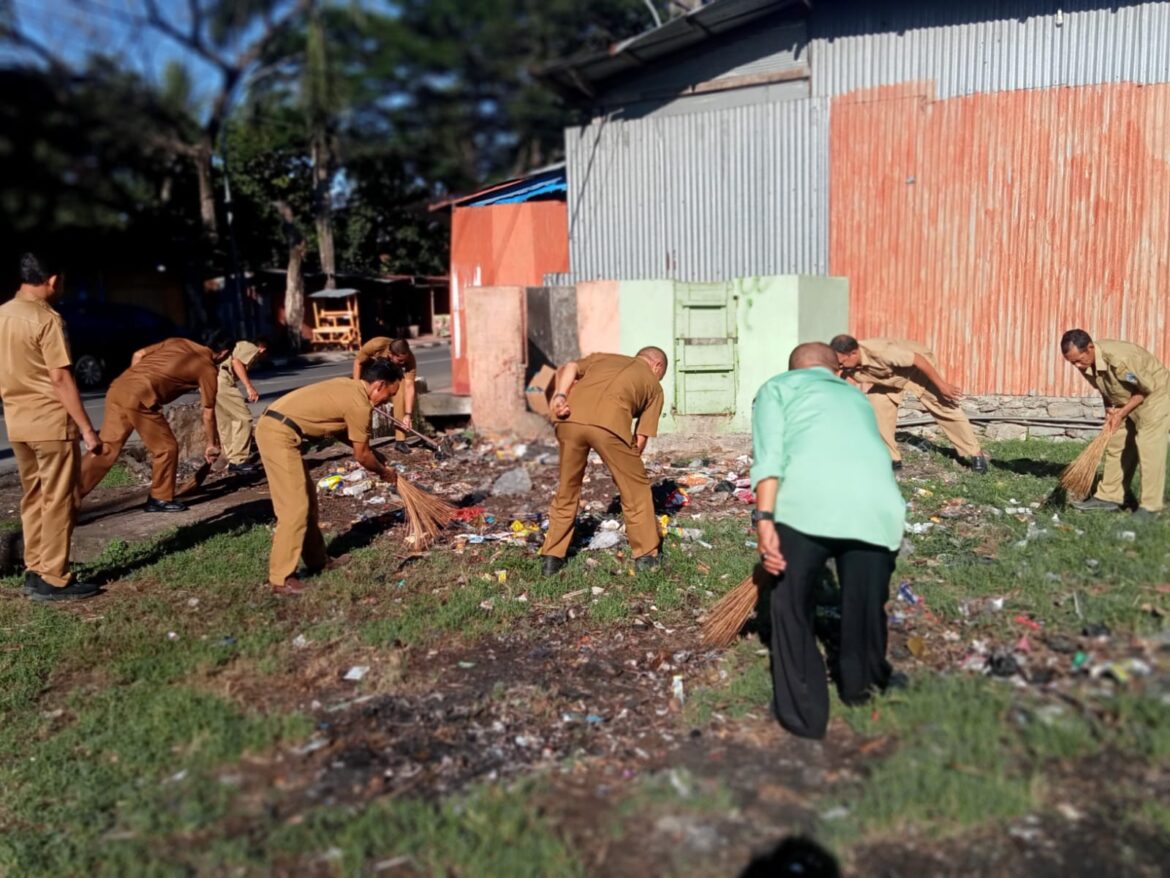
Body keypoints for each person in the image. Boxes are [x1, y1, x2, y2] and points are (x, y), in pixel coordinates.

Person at [752, 342, 906, 740]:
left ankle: (804, 714)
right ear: (837, 369)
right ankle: (861, 687)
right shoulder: (855, 397)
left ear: (793, 369)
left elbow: (770, 456)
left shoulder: (777, 388)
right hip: (876, 508)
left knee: (790, 604)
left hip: (806, 504)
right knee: (865, 604)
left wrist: (764, 520)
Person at [0, 253, 103, 600]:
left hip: (18, 423)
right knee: (59, 499)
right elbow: (60, 378)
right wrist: (87, 429)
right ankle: (54, 577)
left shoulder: (2, 314)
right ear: (53, 280)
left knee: (33, 497)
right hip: (50, 423)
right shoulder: (47, 319)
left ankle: (35, 567)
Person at [257, 359, 403, 594]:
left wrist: (375, 455)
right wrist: (385, 473)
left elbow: (345, 432)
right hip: (278, 434)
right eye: (390, 394)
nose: (388, 401)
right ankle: (281, 578)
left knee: (308, 502)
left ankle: (318, 561)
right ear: (379, 385)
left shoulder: (349, 386)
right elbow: (362, 456)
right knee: (294, 508)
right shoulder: (359, 405)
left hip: (279, 427)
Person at [539, 346, 667, 575]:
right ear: (657, 366)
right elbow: (641, 436)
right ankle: (646, 557)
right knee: (636, 490)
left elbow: (571, 367)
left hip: (570, 419)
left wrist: (560, 395)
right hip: (611, 426)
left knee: (568, 487)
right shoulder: (655, 387)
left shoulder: (604, 358)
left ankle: (552, 557)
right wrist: (628, 464)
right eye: (661, 374)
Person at [78, 333, 232, 511]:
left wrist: (135, 382)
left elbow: (138, 354)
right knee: (166, 448)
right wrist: (211, 444)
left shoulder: (179, 342)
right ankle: (160, 498)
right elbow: (208, 412)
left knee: (106, 447)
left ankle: (68, 496)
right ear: (224, 353)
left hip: (119, 387)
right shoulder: (207, 368)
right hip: (141, 397)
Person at [829, 334, 988, 474]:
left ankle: (975, 453)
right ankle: (892, 459)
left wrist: (942, 386)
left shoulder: (882, 352)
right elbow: (842, 376)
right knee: (877, 405)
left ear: (854, 353)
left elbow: (919, 360)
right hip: (890, 378)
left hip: (915, 369)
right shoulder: (847, 362)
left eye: (842, 363)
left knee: (944, 407)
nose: (840, 366)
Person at [1060, 329, 1170, 519]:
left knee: (1148, 446)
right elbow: (1103, 387)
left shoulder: (1121, 359)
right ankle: (1110, 497)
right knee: (1117, 442)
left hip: (1155, 396)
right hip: (1126, 398)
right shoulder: (1086, 363)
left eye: (1078, 360)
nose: (1077, 366)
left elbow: (1145, 390)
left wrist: (1122, 412)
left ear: (1090, 348)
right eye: (1072, 363)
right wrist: (1109, 409)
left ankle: (1151, 507)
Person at [354, 336, 416, 453]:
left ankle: (400, 440)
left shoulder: (410, 358)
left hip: (391, 374)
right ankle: (362, 441)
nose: (403, 363)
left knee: (401, 391)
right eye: (400, 361)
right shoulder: (377, 345)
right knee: (364, 405)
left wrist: (408, 415)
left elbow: (409, 386)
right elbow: (358, 362)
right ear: (391, 354)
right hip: (371, 371)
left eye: (405, 361)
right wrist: (356, 387)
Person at [216, 338, 267, 474]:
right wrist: (249, 387)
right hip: (223, 381)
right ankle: (238, 461)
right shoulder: (251, 347)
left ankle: (231, 457)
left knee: (226, 421)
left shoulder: (237, 345)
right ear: (263, 348)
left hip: (210, 379)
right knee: (244, 418)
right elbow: (236, 362)